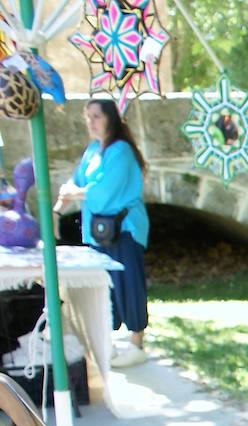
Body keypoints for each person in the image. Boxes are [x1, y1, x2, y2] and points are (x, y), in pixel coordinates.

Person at [53, 99, 150, 368]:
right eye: (88, 116)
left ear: (110, 119)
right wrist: (58, 209)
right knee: (103, 284)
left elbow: (106, 190)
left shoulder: (122, 151)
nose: (91, 122)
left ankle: (136, 342)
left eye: (96, 116)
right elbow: (78, 181)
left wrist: (76, 193)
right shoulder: (93, 150)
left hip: (125, 227)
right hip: (100, 230)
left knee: (129, 282)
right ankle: (108, 339)